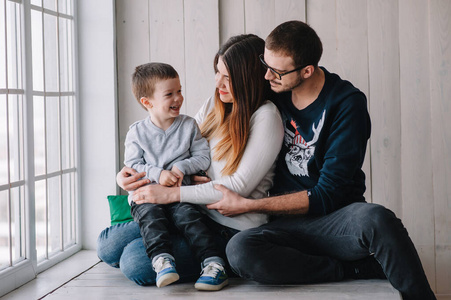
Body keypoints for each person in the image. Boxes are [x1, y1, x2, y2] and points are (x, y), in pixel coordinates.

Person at [205, 21, 436, 300]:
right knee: (239, 250)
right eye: (265, 65)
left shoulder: (346, 103)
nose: (266, 76)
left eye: (276, 71)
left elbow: (327, 193)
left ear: (307, 70)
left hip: (336, 219)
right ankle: (350, 270)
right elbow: (218, 118)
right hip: (282, 226)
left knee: (378, 219)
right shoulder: (273, 91)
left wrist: (249, 205)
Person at [97, 34, 284, 289]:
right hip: (194, 211)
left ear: (248, 78)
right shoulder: (214, 104)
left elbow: (238, 186)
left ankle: (217, 262)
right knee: (108, 245)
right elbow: (181, 150)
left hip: (227, 226)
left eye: (227, 77)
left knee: (135, 262)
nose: (218, 82)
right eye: (217, 72)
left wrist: (170, 194)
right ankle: (171, 253)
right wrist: (126, 175)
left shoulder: (266, 117)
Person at [125, 62, 234, 290]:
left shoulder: (188, 125)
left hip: (179, 194)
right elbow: (132, 165)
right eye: (169, 94)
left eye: (179, 91)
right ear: (147, 102)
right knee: (152, 220)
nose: (178, 98)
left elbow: (203, 157)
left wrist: (180, 168)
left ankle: (213, 262)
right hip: (147, 195)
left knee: (191, 219)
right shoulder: (137, 132)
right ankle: (162, 261)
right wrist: (158, 173)